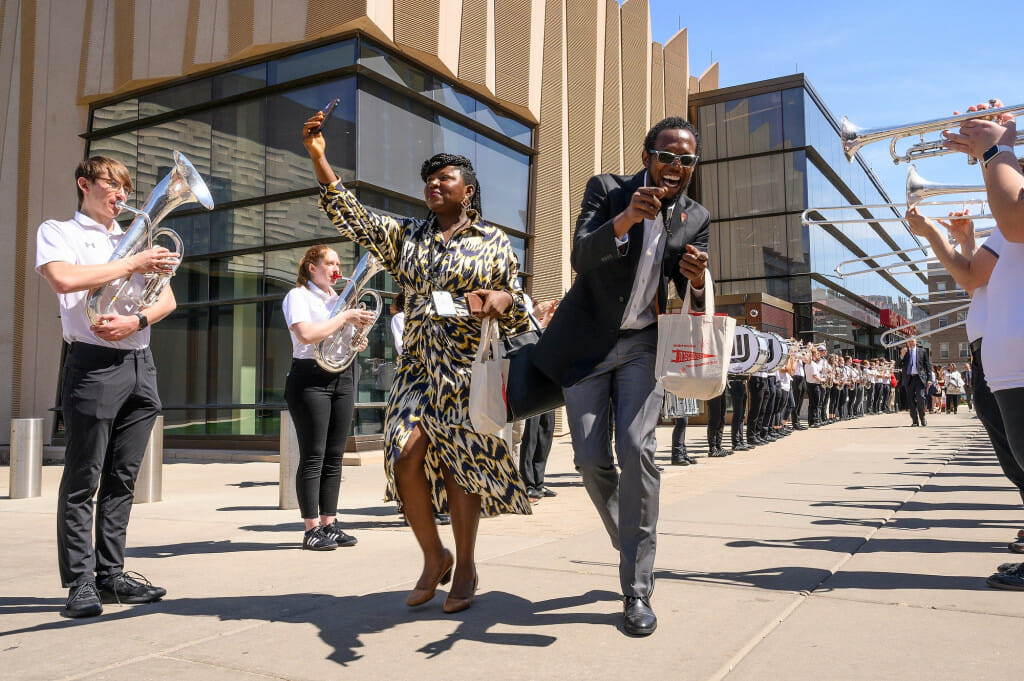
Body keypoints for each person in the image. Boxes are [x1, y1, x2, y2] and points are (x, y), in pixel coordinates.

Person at [302, 112, 531, 614]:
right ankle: (435, 556)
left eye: (445, 177)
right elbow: (354, 217)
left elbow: (520, 306)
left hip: (467, 372)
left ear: (467, 190)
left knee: (459, 465)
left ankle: (465, 566)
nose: (433, 183)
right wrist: (320, 157)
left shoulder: (493, 242)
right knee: (403, 457)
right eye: (429, 178)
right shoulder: (408, 236)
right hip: (418, 369)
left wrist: (501, 302)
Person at [533, 116, 710, 636]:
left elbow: (686, 284)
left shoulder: (695, 215)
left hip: (643, 346)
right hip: (587, 343)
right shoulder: (608, 190)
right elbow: (580, 256)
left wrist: (697, 277)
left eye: (686, 160)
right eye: (667, 155)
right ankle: (630, 538)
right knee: (588, 456)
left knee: (638, 447)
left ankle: (636, 589)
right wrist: (625, 221)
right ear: (646, 154)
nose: (676, 167)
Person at [36, 156, 177, 618]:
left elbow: (168, 300)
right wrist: (133, 261)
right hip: (93, 364)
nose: (121, 195)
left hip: (140, 362)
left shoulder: (134, 237)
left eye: (125, 188)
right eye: (111, 186)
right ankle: (79, 582)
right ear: (84, 184)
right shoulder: (60, 231)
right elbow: (64, 278)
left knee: (122, 479)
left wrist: (137, 318)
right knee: (83, 478)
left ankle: (111, 574)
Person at [282, 245, 373, 551]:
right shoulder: (298, 296)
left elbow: (344, 342)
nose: (336, 269)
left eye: (338, 263)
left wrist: (359, 339)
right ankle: (310, 530)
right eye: (329, 263)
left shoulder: (338, 299)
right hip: (309, 378)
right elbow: (306, 335)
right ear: (311, 267)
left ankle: (329, 524)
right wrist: (346, 316)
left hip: (341, 377)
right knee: (314, 455)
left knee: (335, 456)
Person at [389, 291, 451, 526]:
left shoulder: (438, 317)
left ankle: (438, 503)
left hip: (438, 385)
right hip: (412, 385)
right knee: (407, 445)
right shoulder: (401, 318)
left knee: (435, 447)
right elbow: (404, 348)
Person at [520, 297, 559, 500]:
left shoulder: (526, 302)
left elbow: (539, 335)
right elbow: (522, 333)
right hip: (529, 377)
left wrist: (548, 319)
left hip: (547, 377)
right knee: (532, 432)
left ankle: (539, 481)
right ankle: (527, 482)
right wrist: (535, 315)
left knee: (546, 430)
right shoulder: (518, 301)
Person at [899, 337, 932, 427]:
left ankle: (922, 418)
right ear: (907, 343)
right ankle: (915, 420)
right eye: (909, 341)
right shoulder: (905, 353)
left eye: (912, 341)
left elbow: (928, 366)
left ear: (916, 342)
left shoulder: (922, 351)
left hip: (919, 378)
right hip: (909, 379)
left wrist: (929, 379)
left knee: (921, 398)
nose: (911, 343)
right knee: (911, 400)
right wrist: (902, 356)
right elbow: (900, 365)